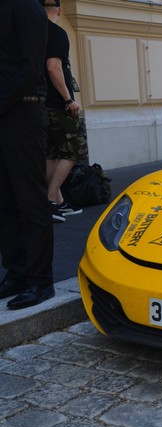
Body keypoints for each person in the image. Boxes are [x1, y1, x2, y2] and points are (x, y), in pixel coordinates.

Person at [0, 0, 56, 309]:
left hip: (23, 112)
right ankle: (17, 273)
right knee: (5, 201)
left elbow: (31, 66)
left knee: (29, 199)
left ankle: (40, 281)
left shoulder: (27, 6)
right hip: (5, 112)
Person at [42, 0, 87, 222]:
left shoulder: (34, 32)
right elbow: (54, 66)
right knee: (75, 150)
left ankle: (58, 202)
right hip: (58, 104)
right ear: (59, 10)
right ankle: (50, 200)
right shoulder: (57, 32)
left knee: (51, 154)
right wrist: (69, 99)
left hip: (39, 103)